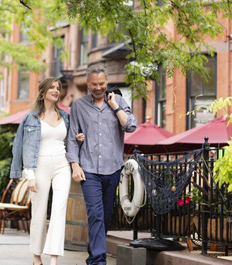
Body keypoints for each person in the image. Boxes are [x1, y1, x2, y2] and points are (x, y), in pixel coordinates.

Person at [66, 64, 137, 265]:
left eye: (102, 83)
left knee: (104, 216)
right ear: (88, 83)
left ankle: (94, 253)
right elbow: (72, 137)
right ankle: (98, 261)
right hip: (89, 169)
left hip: (113, 168)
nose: (98, 88)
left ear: (107, 82)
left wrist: (115, 106)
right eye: (94, 84)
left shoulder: (119, 101)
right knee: (95, 214)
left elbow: (131, 125)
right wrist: (75, 165)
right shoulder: (79, 106)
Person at [10, 77, 72, 265]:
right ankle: (37, 256)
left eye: (58, 88)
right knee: (39, 210)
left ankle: (53, 258)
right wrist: (29, 175)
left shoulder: (66, 117)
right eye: (52, 88)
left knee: (59, 211)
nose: (56, 90)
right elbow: (20, 147)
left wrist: (79, 137)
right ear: (43, 91)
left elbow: (70, 143)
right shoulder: (31, 118)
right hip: (39, 166)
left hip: (62, 165)